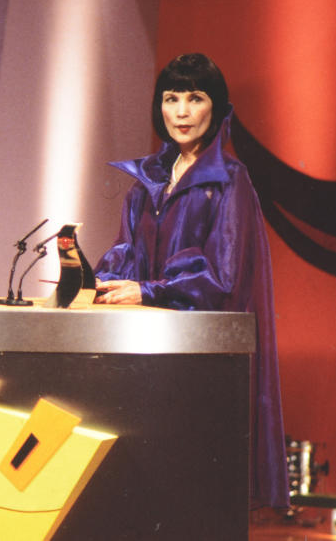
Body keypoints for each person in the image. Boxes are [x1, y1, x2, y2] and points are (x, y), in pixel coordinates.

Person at [94, 53, 289, 509]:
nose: (181, 112)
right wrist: (97, 280)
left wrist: (147, 292)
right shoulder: (146, 183)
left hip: (198, 362)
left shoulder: (229, 183)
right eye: (171, 98)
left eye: (195, 98)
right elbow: (126, 255)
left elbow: (221, 279)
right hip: (146, 356)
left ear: (216, 108)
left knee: (189, 493)